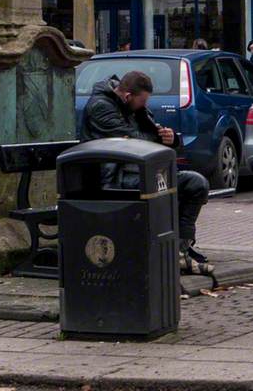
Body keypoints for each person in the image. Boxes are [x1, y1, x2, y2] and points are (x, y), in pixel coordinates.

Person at [80, 69, 212, 274]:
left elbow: (149, 135)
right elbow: (130, 140)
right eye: (142, 101)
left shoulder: (135, 107)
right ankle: (170, 254)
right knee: (160, 188)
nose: (145, 106)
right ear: (127, 96)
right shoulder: (100, 107)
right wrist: (155, 138)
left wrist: (171, 138)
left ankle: (180, 248)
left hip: (138, 172)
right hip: (112, 178)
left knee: (196, 184)